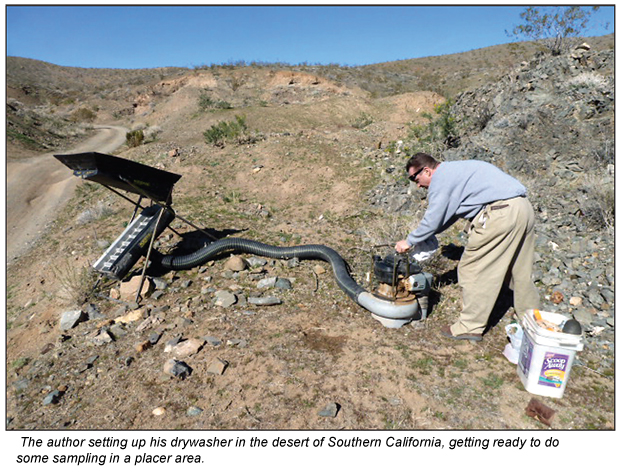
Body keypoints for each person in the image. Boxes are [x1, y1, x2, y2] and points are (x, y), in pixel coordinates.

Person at [395, 152, 540, 341]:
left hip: (499, 214)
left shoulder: (440, 180)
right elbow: (449, 215)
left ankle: (470, 326)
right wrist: (428, 234)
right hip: (522, 209)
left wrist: (410, 241)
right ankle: (532, 322)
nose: (417, 184)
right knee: (519, 270)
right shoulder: (456, 171)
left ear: (428, 171)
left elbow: (433, 218)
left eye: (416, 177)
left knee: (473, 270)